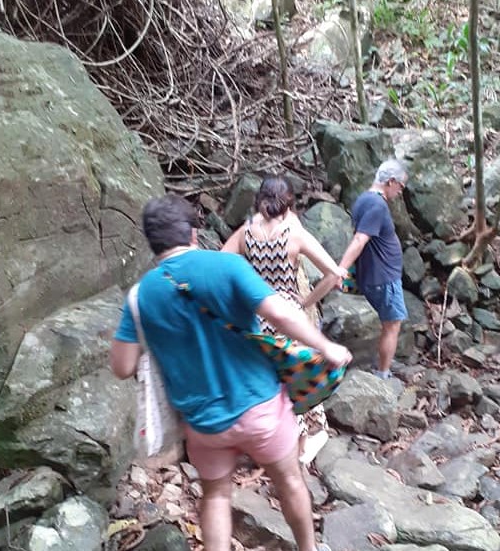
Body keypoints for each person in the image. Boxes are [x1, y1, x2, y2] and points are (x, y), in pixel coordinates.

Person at [110, 194, 351, 551]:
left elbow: (123, 366)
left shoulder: (139, 296)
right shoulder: (226, 266)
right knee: (289, 480)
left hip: (204, 423)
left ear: (153, 243)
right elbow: (281, 314)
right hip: (260, 407)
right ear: (193, 233)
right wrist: (326, 347)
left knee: (217, 496)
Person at [222, 175, 348, 464]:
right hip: (288, 313)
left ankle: (259, 442)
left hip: (255, 312)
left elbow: (220, 262)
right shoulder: (295, 233)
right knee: (293, 377)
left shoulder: (245, 233)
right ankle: (299, 445)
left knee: (263, 378)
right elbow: (334, 273)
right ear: (289, 203)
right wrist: (307, 301)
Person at [339, 158, 409, 380]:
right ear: (391, 181)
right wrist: (341, 269)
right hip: (383, 276)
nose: (400, 191)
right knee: (392, 325)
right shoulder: (377, 205)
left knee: (389, 324)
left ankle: (383, 363)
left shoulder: (363, 200)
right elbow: (360, 240)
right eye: (401, 186)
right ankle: (382, 374)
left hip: (379, 273)